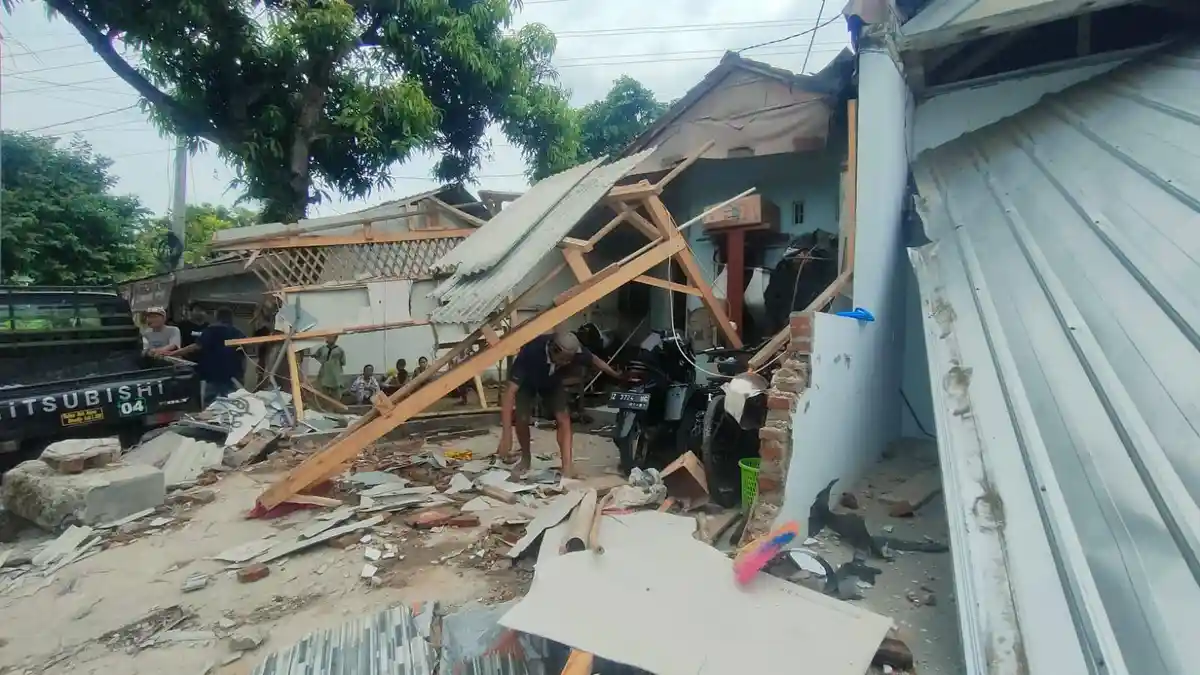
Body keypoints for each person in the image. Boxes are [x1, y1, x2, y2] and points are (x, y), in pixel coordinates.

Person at [498, 329, 621, 478]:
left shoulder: (573, 350)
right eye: (563, 360)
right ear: (553, 349)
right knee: (522, 419)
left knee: (564, 418)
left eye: (569, 360)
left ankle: (567, 466)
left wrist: (615, 375)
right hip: (527, 383)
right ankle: (525, 459)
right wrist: (506, 436)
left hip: (551, 381)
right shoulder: (530, 353)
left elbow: (594, 359)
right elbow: (509, 392)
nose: (567, 363)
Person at [171, 307, 246, 403]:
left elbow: (196, 346)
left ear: (216, 316)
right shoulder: (237, 332)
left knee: (210, 401)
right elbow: (244, 353)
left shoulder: (211, 330)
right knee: (233, 401)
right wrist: (242, 373)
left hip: (212, 372)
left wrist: (174, 353)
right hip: (232, 372)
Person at [314, 335, 347, 403]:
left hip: (335, 375)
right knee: (323, 394)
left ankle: (336, 408)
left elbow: (343, 362)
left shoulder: (340, 350)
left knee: (336, 395)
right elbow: (316, 355)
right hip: (324, 373)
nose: (329, 339)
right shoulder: (322, 348)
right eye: (328, 337)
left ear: (335, 338)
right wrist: (322, 361)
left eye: (331, 337)